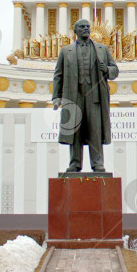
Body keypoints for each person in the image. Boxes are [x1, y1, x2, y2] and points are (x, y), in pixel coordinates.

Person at [52, 19, 120, 172]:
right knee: (75, 130)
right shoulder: (65, 51)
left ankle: (97, 163)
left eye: (87, 27)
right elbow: (58, 76)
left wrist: (107, 70)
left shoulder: (102, 49)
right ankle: (75, 163)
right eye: (82, 27)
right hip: (73, 95)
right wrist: (56, 97)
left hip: (94, 96)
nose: (86, 29)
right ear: (75, 31)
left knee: (95, 130)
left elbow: (115, 70)